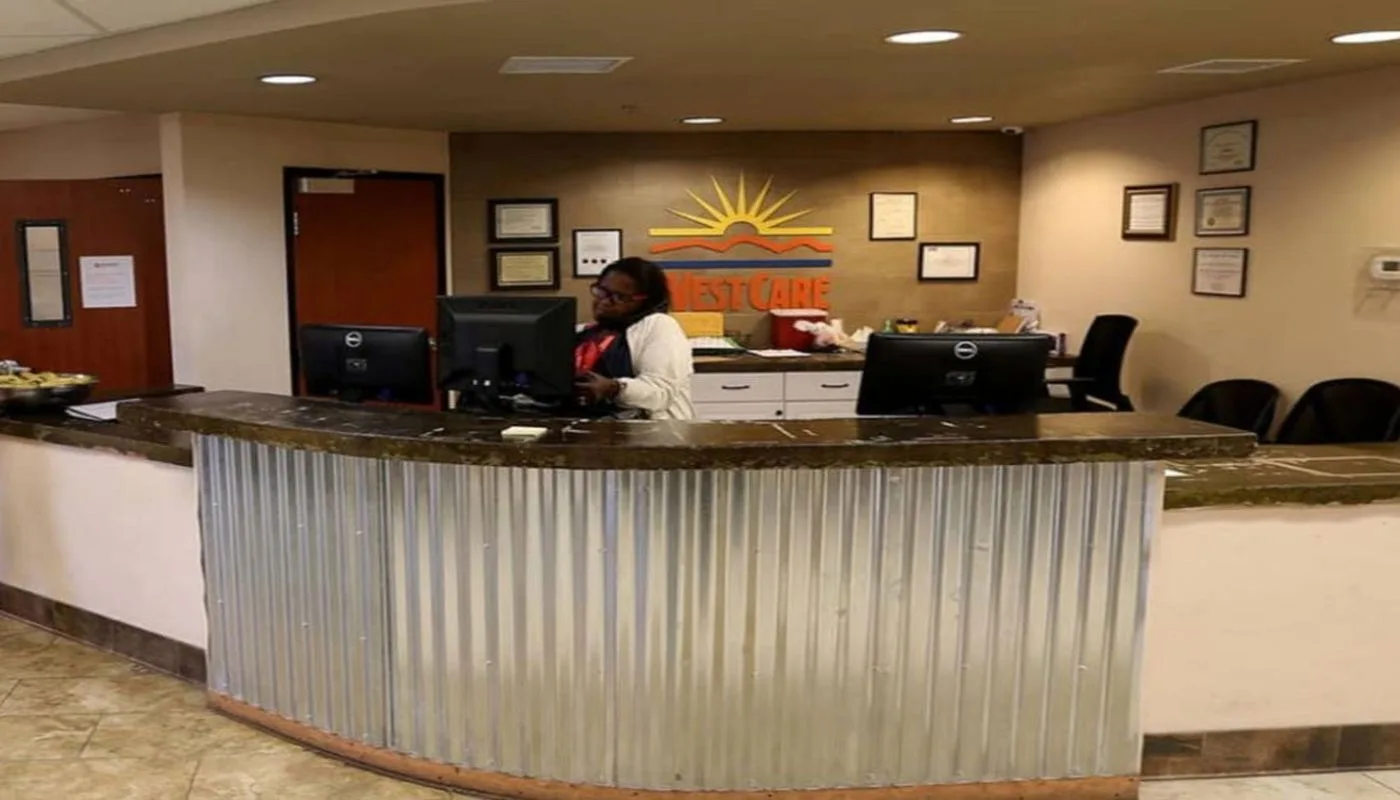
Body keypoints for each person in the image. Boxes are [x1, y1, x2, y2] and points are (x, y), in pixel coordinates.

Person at [574, 257, 695, 420]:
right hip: (591, 427)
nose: (604, 301)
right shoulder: (587, 332)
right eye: (601, 291)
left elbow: (661, 392)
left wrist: (614, 388)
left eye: (619, 297)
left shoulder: (659, 325)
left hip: (648, 430)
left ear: (646, 301)